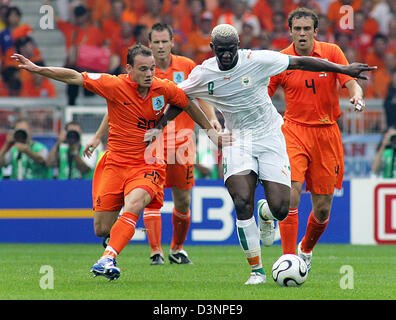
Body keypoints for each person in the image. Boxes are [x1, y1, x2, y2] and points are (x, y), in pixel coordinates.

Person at [159, 23, 374, 285]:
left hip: (270, 134)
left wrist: (343, 69)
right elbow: (180, 99)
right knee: (241, 201)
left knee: (282, 209)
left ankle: (266, 214)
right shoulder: (204, 73)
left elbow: (300, 62)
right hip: (238, 139)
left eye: (231, 50)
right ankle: (257, 271)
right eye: (221, 51)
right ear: (212, 48)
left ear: (238, 46)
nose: (226, 55)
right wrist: (158, 126)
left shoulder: (257, 59)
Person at [11, 44, 230, 281]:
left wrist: (207, 132)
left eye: (152, 69)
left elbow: (186, 102)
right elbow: (74, 76)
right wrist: (38, 69)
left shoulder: (162, 87)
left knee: (135, 203)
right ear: (129, 68)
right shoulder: (114, 84)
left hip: (148, 162)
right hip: (115, 163)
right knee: (101, 229)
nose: (149, 74)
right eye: (143, 69)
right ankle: (112, 240)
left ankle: (108, 258)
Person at [85, 23, 221, 266]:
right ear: (150, 45)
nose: (160, 46)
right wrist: (98, 136)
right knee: (147, 198)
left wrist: (211, 120)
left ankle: (177, 249)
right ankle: (155, 250)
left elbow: (197, 97)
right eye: (155, 42)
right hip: (150, 144)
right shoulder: (141, 72)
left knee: (183, 200)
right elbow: (118, 107)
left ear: (172, 42)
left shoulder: (186, 66)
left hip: (182, 143)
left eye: (164, 41)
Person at [265, 8, 367, 271]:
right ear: (290, 32)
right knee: (291, 195)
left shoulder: (332, 52)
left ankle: (305, 250)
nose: (301, 33)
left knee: (322, 210)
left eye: (306, 29)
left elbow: (350, 79)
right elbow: (264, 93)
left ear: (315, 32)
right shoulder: (282, 60)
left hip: (326, 134)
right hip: (294, 131)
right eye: (297, 29)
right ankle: (288, 258)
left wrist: (356, 95)